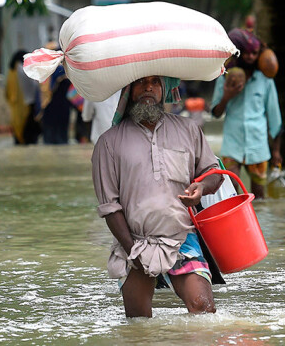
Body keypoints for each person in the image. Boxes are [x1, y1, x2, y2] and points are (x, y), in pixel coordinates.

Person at [91, 76, 224, 318]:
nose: (148, 88)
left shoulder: (188, 129)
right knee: (139, 327)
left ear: (164, 89)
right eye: (141, 82)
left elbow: (214, 173)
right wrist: (134, 252)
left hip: (182, 239)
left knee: (204, 313)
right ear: (129, 90)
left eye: (155, 82)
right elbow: (110, 208)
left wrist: (202, 187)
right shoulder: (108, 143)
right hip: (134, 243)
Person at [210, 28, 282, 199]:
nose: (250, 57)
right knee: (231, 191)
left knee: (259, 196)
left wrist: (277, 152)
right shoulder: (224, 77)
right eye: (246, 53)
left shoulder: (265, 81)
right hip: (232, 146)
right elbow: (215, 113)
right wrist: (227, 96)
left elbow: (275, 119)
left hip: (258, 147)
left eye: (254, 53)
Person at [5, 50, 41, 145]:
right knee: (28, 132)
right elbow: (34, 85)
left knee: (18, 129)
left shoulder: (11, 72)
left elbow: (7, 91)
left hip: (15, 106)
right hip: (28, 104)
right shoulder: (23, 69)